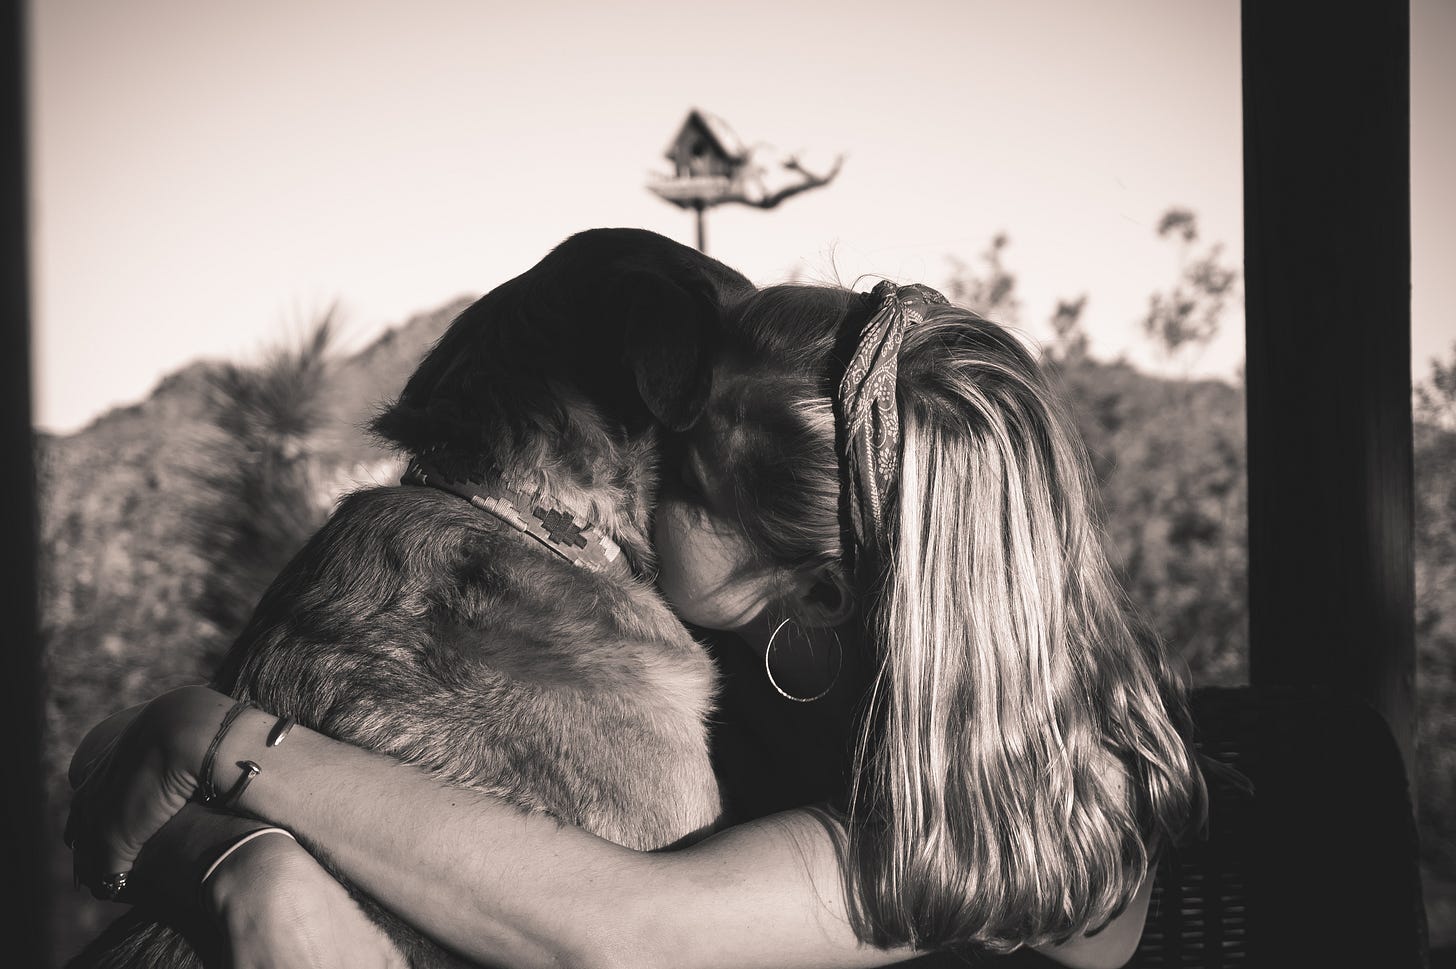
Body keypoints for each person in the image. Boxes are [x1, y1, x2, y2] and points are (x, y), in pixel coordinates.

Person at [69, 279, 1206, 969]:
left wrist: (226, 745)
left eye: (674, 467)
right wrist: (238, 860)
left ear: (817, 585)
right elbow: (111, 791)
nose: (622, 481)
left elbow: (627, 934)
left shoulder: (1041, 793)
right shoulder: (757, 650)